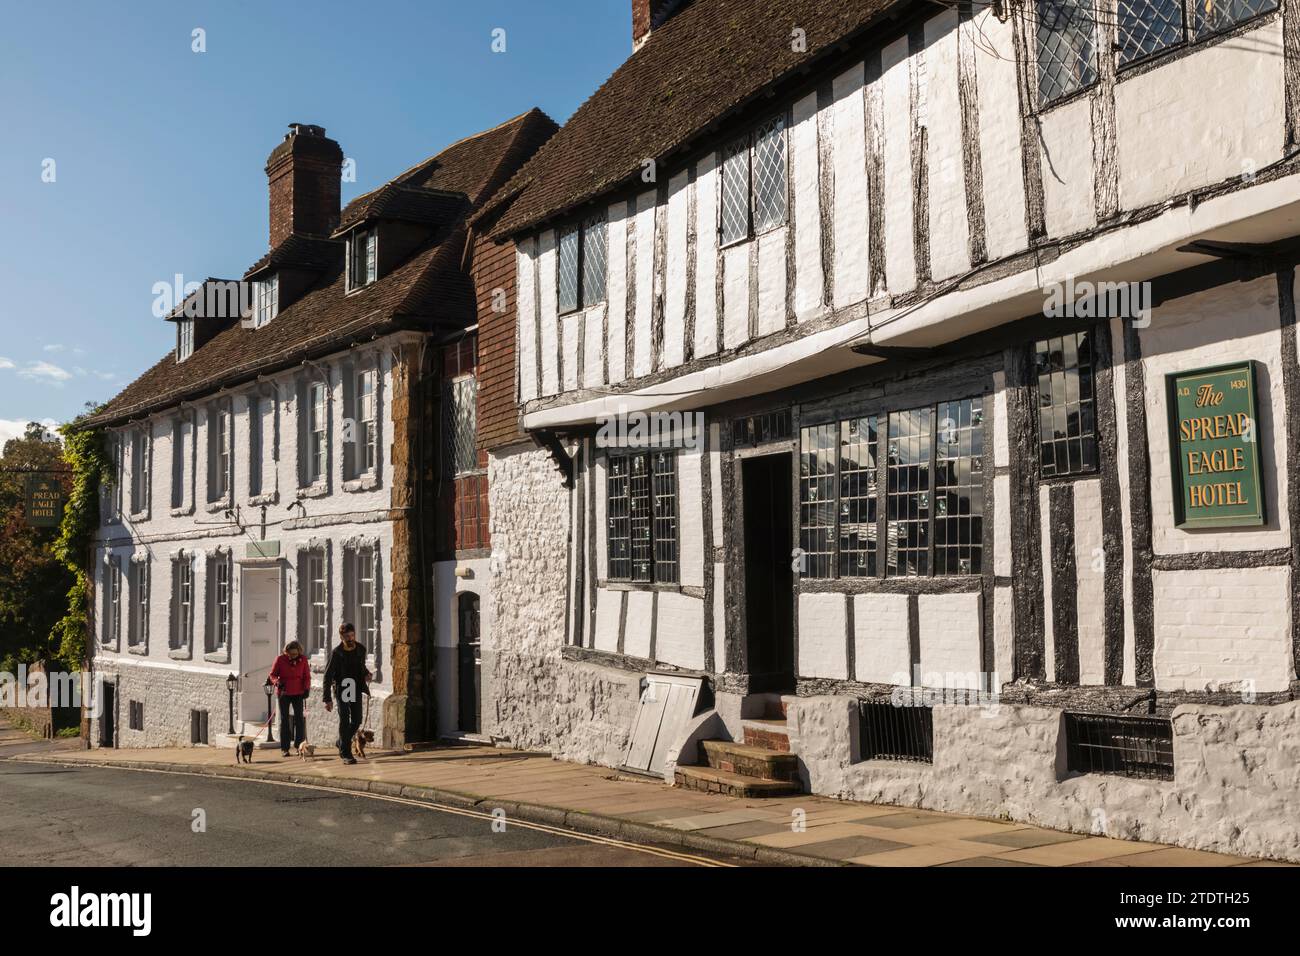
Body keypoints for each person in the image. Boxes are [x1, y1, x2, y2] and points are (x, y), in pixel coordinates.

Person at [323, 622, 370, 764]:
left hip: (355, 686)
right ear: (341, 637)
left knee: (357, 720)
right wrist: (327, 699)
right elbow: (328, 675)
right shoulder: (337, 653)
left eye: (351, 635)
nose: (350, 638)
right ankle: (346, 754)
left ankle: (341, 742)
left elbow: (360, 667)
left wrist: (367, 673)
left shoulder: (361, 649)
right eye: (346, 636)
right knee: (344, 719)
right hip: (343, 687)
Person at [268, 640, 310, 757]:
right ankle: (285, 748)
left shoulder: (303, 660)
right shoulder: (280, 659)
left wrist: (306, 689)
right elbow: (272, 675)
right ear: (286, 652)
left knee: (299, 720)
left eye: (295, 654)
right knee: (284, 720)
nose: (292, 656)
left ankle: (299, 746)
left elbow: (307, 676)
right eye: (290, 654)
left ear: (299, 652)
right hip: (284, 692)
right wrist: (277, 682)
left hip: (298, 692)